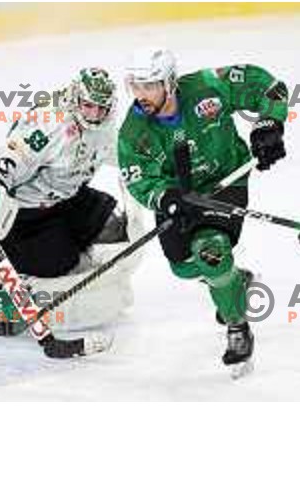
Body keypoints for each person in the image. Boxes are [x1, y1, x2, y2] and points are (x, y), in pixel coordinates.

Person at [0, 67, 138, 337]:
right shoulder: (49, 123)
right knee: (62, 267)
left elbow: (118, 152)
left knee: (117, 227)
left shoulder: (103, 121)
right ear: (75, 98)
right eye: (88, 106)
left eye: (102, 108)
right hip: (25, 218)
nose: (95, 115)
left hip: (68, 198)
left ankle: (72, 258)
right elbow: (3, 161)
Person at [118, 48, 289, 371]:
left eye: (149, 85)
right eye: (135, 86)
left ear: (170, 82)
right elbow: (139, 179)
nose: (141, 95)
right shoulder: (134, 132)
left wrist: (269, 123)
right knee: (183, 266)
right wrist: (165, 198)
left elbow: (268, 86)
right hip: (181, 197)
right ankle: (233, 280)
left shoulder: (207, 88)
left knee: (210, 250)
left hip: (227, 181)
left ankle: (237, 326)